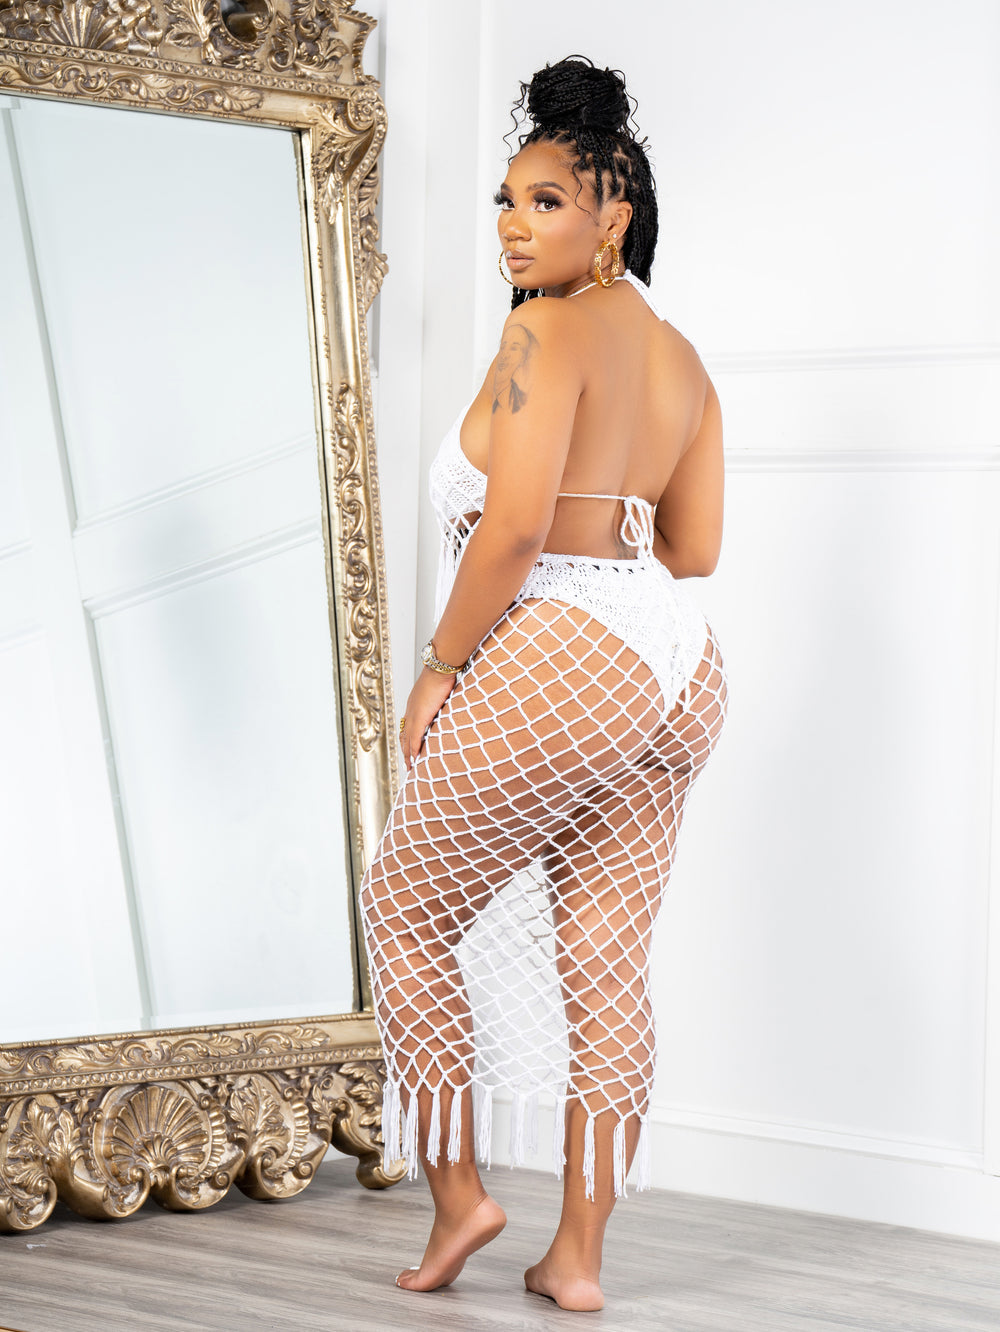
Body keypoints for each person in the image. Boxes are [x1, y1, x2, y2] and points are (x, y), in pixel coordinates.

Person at [359, 55, 729, 1313]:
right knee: (605, 964)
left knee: (405, 912)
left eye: (548, 202)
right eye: (506, 202)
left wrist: (439, 666)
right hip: (678, 664)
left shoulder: (542, 330)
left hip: (566, 646)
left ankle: (460, 1196)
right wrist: (606, 524)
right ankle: (577, 1258)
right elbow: (693, 549)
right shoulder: (682, 361)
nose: (515, 225)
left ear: (612, 215)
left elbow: (514, 530)